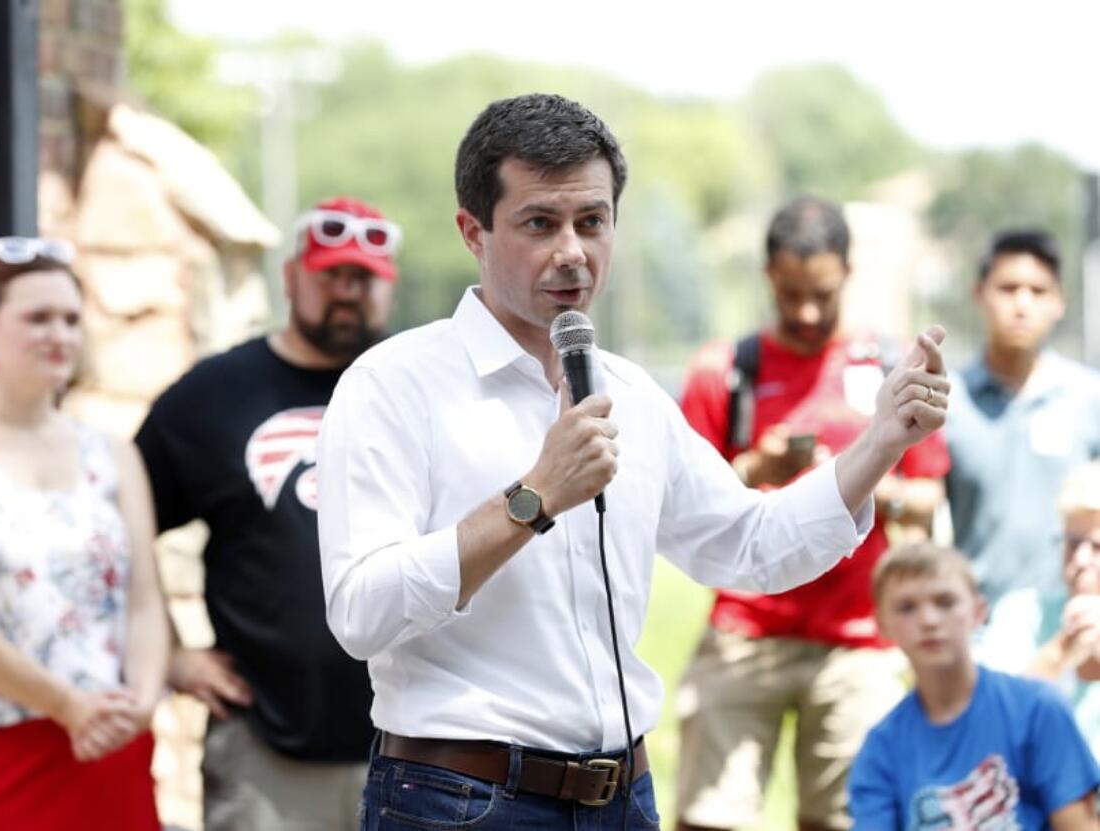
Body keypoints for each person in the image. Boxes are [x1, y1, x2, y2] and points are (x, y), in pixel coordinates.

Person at [317, 92, 950, 830]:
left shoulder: (634, 395)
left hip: (623, 796)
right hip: (459, 798)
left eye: (592, 221)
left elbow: (751, 546)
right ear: (473, 231)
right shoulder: (395, 384)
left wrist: (880, 443)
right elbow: (361, 612)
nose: (572, 251)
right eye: (540, 223)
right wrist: (533, 498)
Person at [674, 196, 950, 831]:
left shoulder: (889, 366)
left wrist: (854, 483)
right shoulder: (726, 372)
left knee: (853, 819)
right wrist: (759, 474)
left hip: (858, 639)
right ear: (769, 274)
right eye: (791, 292)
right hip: (747, 626)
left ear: (848, 273)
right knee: (710, 815)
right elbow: (683, 503)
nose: (805, 311)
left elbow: (930, 495)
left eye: (820, 294)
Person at [134, 196, 399, 831]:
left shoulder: (419, 386)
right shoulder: (213, 396)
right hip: (265, 753)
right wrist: (170, 652)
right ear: (291, 278)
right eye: (330, 274)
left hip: (418, 745)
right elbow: (116, 524)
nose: (346, 292)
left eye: (363, 278)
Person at [0, 236, 168, 830]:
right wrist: (67, 706)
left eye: (70, 319)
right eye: (37, 318)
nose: (59, 335)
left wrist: (140, 704)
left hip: (108, 749)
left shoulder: (112, 453)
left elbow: (145, 599)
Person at [848, 543, 1100, 830]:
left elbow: (1079, 825)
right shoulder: (881, 749)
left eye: (945, 602)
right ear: (882, 624)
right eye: (907, 608)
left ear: (978, 611)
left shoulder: (1037, 709)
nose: (929, 620)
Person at [946, 229, 1100, 613]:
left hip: (1071, 626)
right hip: (974, 628)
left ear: (1060, 301)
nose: (1022, 304)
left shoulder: (1088, 398)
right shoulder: (949, 402)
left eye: (1038, 291)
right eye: (1008, 288)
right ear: (979, 293)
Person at [978, 460, 1100, 759]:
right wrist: (1060, 651)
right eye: (1073, 544)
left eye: (1097, 547)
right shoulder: (1021, 613)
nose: (1081, 560)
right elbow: (988, 724)